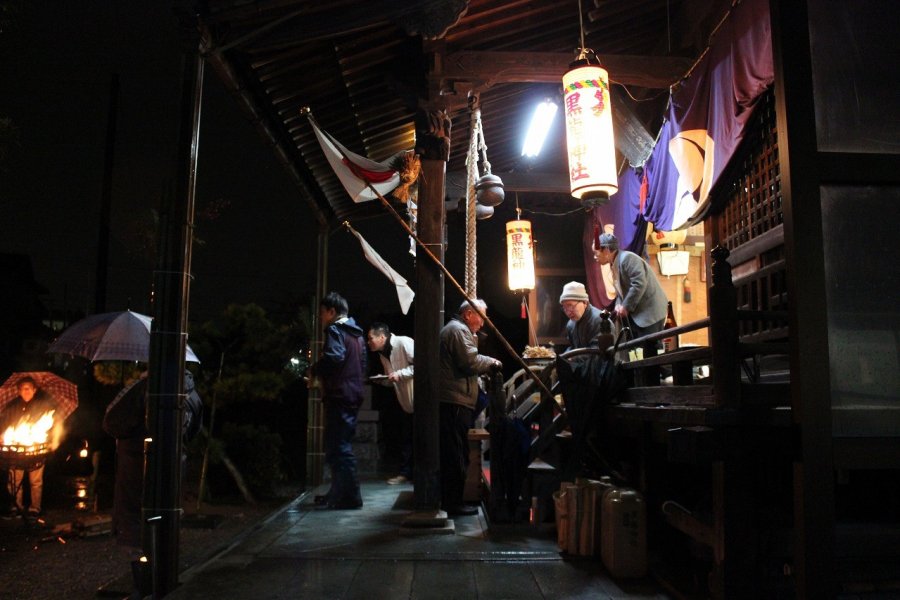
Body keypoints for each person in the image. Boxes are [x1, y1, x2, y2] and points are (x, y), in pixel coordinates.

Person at [102, 370, 203, 548]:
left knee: (138, 521)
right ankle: (161, 558)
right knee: (165, 521)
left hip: (138, 464)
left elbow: (111, 423)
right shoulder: (192, 394)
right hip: (175, 465)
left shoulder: (142, 387)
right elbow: (194, 431)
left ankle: (143, 565)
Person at [438, 299, 502, 516]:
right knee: (456, 453)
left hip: (456, 399)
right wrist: (493, 362)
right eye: (481, 317)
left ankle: (452, 500)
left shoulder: (458, 330)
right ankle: (453, 503)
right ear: (467, 314)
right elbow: (470, 362)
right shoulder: (457, 331)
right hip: (455, 400)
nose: (483, 323)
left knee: (455, 451)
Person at [309, 292, 366, 509]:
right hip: (353, 393)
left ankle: (348, 497)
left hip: (339, 394)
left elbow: (334, 357)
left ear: (332, 312)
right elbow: (361, 366)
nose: (321, 318)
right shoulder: (357, 334)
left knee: (338, 448)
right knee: (341, 445)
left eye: (322, 313)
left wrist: (315, 369)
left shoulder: (335, 330)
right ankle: (340, 493)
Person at [593, 232, 668, 351]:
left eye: (596, 253)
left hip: (650, 311)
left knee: (650, 352)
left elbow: (639, 283)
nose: (595, 257)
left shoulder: (627, 258)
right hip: (639, 313)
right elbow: (621, 292)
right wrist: (618, 304)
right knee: (637, 352)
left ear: (606, 250)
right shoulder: (615, 263)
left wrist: (626, 306)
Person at [1, 376, 57, 519]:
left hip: (35, 450)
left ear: (34, 390)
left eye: (28, 388)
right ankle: (16, 507)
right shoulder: (12, 406)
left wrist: (50, 441)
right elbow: (3, 425)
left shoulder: (43, 407)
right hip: (16, 450)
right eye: (23, 388)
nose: (26, 391)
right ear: (19, 391)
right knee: (14, 480)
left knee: (36, 481)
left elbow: (49, 427)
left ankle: (35, 508)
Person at [366, 322, 415, 485]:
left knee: (415, 436)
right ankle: (406, 473)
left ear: (382, 337)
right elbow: (393, 378)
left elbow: (422, 365)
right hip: (404, 399)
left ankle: (413, 473)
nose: (368, 342)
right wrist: (383, 381)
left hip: (418, 397)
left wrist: (399, 374)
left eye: (370, 338)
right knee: (406, 436)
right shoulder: (382, 354)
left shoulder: (403, 342)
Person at [559, 281, 606, 351]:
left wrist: (572, 358)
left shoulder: (600, 321)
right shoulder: (570, 324)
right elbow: (573, 348)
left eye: (570, 306)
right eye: (565, 308)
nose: (568, 312)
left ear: (585, 302)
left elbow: (597, 354)